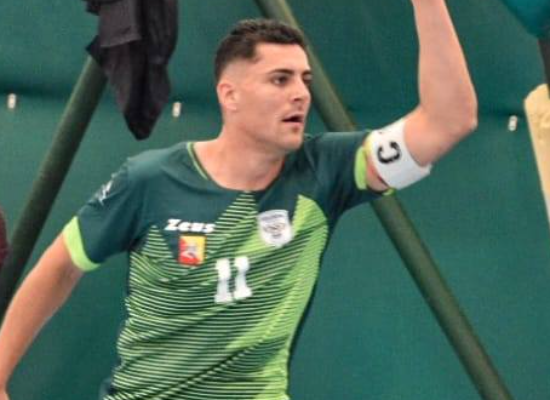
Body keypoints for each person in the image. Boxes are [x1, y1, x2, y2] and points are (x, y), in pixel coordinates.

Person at [0, 0, 477, 399]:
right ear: (229, 95)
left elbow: (448, 120)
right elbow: (60, 266)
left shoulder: (328, 170)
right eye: (280, 79)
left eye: (305, 80)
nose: (300, 94)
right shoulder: (149, 180)